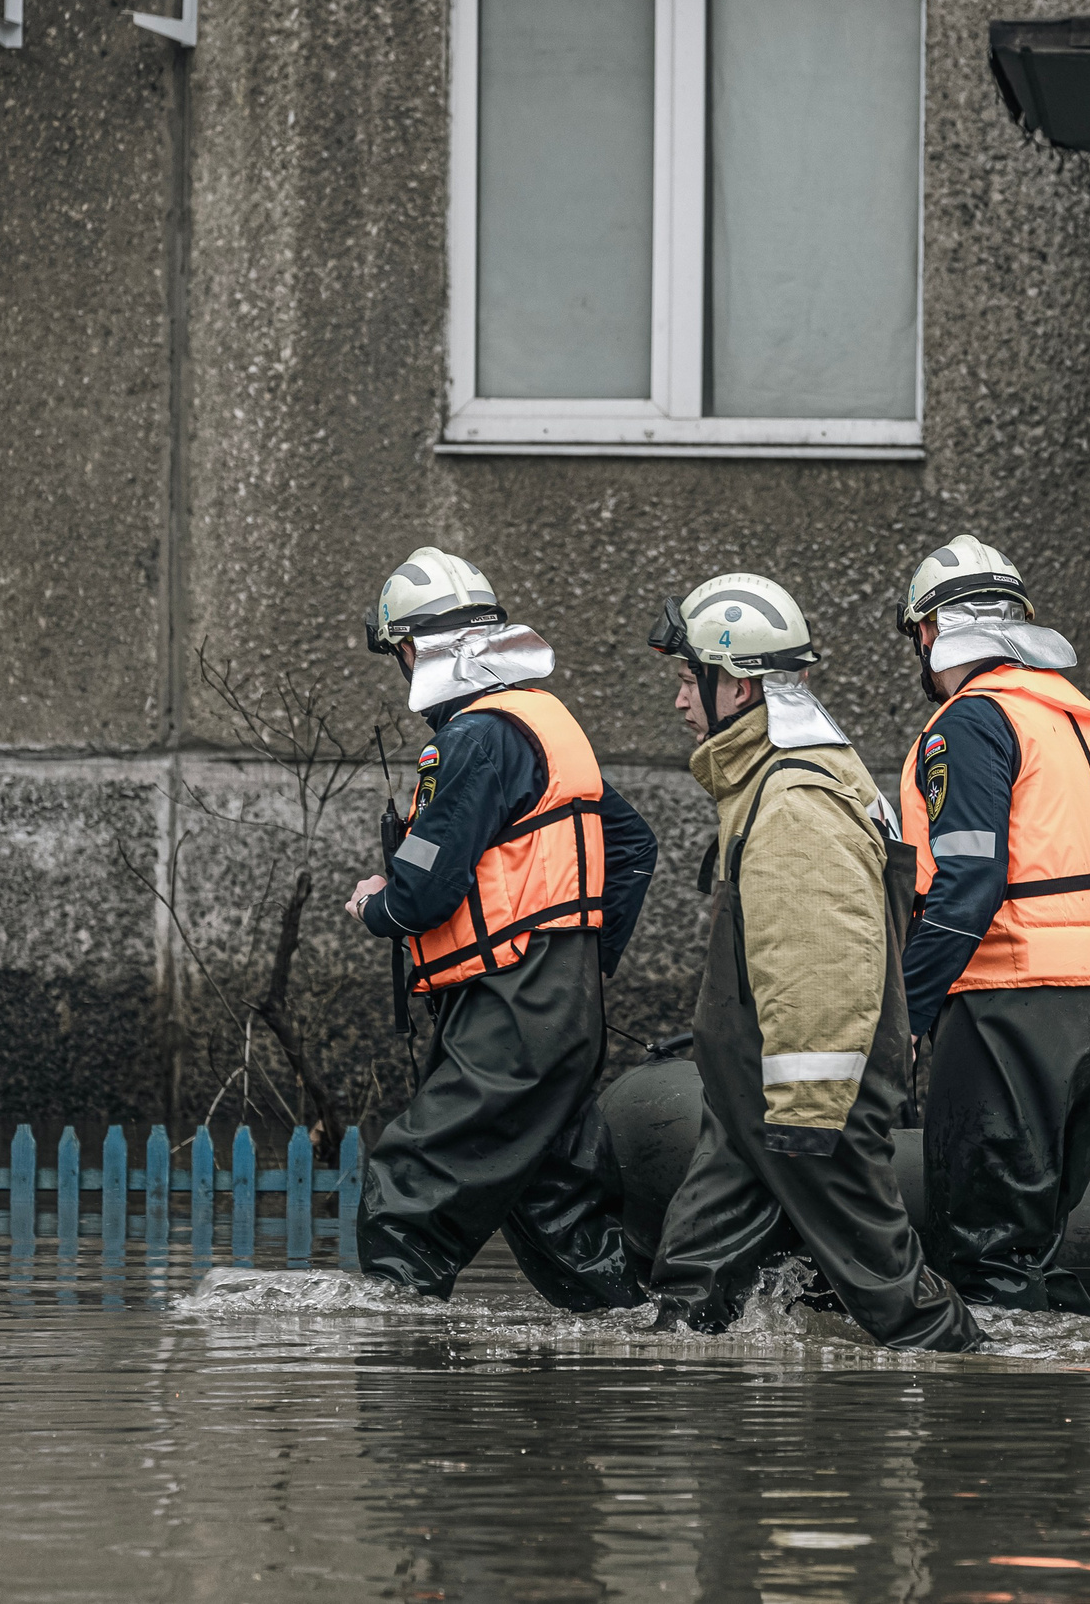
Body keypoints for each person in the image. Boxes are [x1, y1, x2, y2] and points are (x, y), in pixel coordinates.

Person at [642, 571, 983, 1351]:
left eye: (687, 679)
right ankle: (678, 1393)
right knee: (691, 1285)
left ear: (735, 684)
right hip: (760, 1100)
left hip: (805, 1107)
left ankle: (989, 1397)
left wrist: (805, 1114)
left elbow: (823, 966)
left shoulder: (794, 798)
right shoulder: (770, 777)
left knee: (895, 1300)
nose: (679, 699)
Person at [346, 546, 657, 1306]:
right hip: (558, 1010)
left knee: (406, 1197)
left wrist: (374, 904)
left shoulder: (473, 739)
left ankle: (402, 1394)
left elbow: (422, 894)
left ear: (416, 648)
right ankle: (660, 1353)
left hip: (509, 1012)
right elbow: (634, 846)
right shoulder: (543, 723)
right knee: (560, 1217)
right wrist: (581, 963)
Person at [894, 535, 1090, 1316]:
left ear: (929, 633)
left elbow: (969, 882)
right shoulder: (1077, 725)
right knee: (1030, 1246)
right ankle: (1056, 1423)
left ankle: (996, 1433)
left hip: (1008, 1002)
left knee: (984, 1255)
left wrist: (907, 1012)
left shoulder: (970, 723)